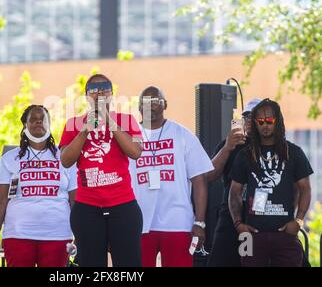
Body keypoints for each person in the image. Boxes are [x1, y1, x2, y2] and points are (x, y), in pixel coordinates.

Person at [59, 74, 144, 267]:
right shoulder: (73, 124)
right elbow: (65, 161)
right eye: (94, 90)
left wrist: (109, 121)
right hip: (87, 207)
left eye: (104, 88)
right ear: (87, 96)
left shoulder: (127, 120)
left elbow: (135, 152)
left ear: (112, 94)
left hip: (123, 205)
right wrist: (85, 130)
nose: (99, 94)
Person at [130, 86, 214, 267]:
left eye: (155, 101)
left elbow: (199, 181)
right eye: (145, 102)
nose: (150, 105)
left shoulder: (182, 135)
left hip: (178, 221)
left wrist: (200, 222)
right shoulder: (128, 137)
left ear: (165, 105)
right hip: (138, 222)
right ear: (138, 107)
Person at [0, 105, 77, 267]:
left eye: (42, 119)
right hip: (18, 234)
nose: (38, 122)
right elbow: (0, 199)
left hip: (57, 235)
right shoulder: (10, 158)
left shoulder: (65, 157)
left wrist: (80, 234)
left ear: (49, 124)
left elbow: (75, 201)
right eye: (33, 119)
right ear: (25, 125)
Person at [229, 99, 313, 267]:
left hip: (285, 234)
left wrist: (298, 221)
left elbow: (305, 189)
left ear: (278, 121)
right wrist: (238, 224)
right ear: (254, 123)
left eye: (269, 120)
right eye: (260, 121)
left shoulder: (293, 152)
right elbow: (234, 192)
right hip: (251, 235)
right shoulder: (245, 155)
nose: (265, 125)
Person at [206, 98, 261, 267]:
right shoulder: (232, 144)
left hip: (261, 216)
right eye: (246, 116)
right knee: (220, 261)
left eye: (255, 116)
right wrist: (227, 147)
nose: (250, 120)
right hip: (230, 216)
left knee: (253, 261)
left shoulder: (274, 146)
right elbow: (209, 176)